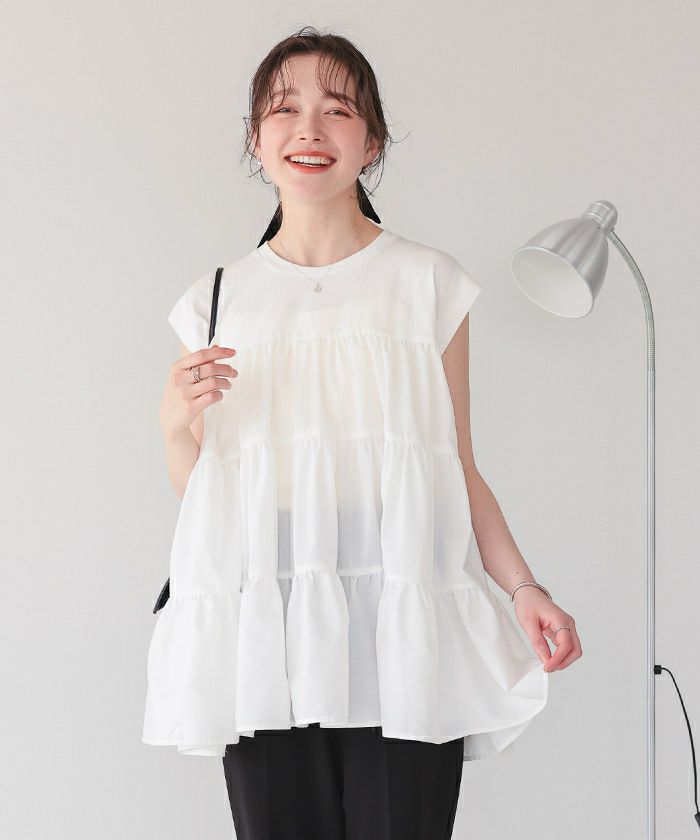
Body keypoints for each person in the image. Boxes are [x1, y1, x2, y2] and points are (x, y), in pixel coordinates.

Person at [143, 26, 582, 840]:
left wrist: (524, 588)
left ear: (371, 142)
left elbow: (456, 466)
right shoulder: (214, 299)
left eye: (337, 109)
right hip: (266, 630)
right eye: (285, 109)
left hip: (403, 626)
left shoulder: (427, 284)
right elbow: (211, 498)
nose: (309, 128)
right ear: (257, 139)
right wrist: (174, 427)